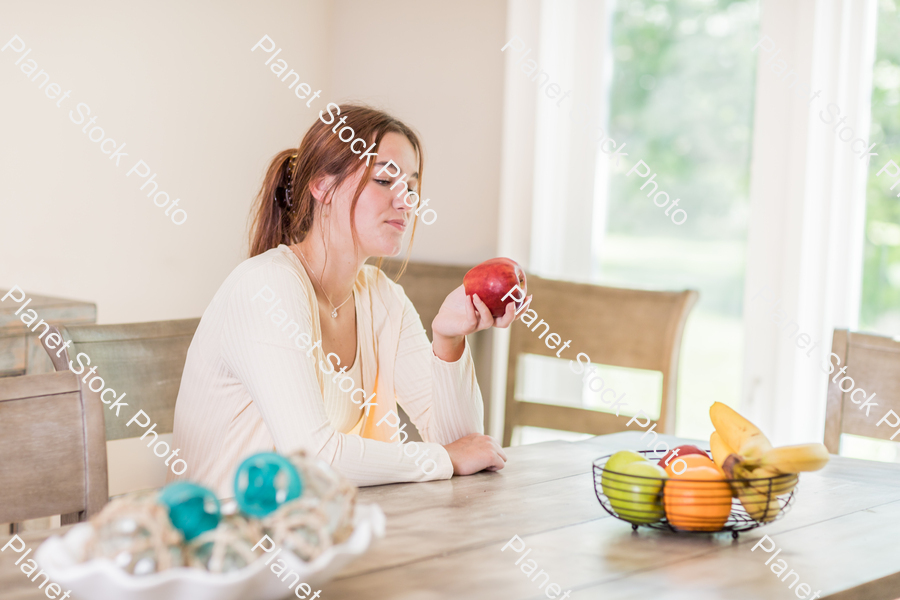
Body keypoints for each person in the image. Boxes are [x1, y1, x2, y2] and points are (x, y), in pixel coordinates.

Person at [170, 105, 521, 497]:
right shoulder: (266, 286)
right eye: (386, 179)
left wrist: (449, 341)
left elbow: (467, 446)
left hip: (321, 535)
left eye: (412, 185)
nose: (407, 200)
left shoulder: (382, 297)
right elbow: (312, 458)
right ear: (322, 186)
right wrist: (441, 459)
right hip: (228, 543)